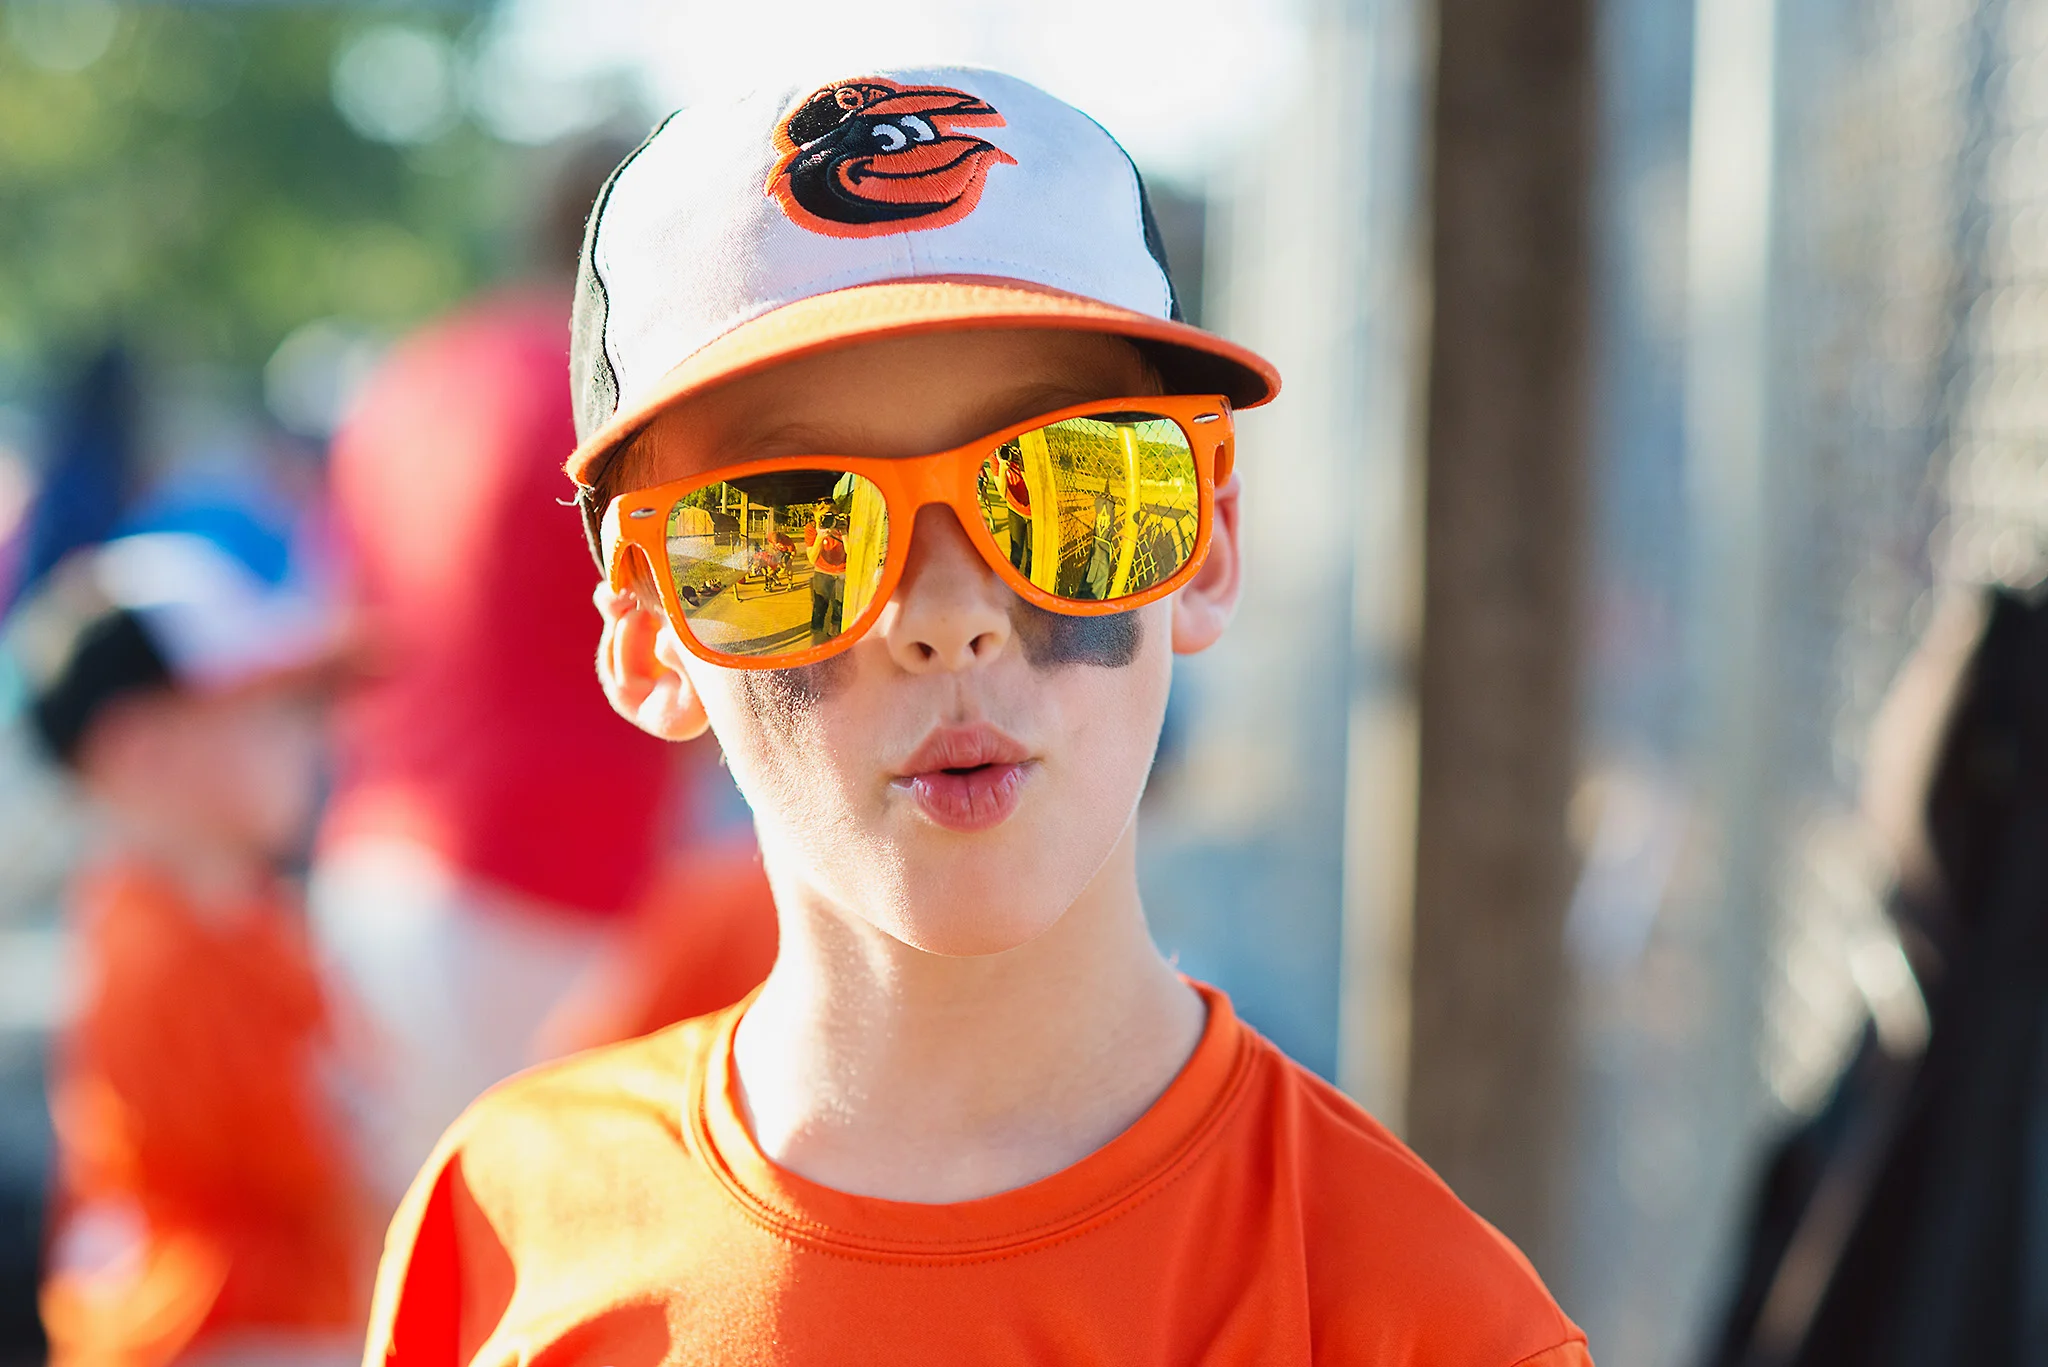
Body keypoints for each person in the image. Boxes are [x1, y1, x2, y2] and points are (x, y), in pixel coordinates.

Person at [362, 68, 1591, 1365]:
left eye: (1070, 483)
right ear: (645, 630)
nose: (949, 616)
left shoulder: (1423, 1318)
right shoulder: (504, 1227)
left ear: (1207, 539)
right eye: (789, 523)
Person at [315, 149, 775, 1209]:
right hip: (548, 882)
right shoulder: (608, 393)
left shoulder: (413, 375)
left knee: (412, 1250)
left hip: (374, 857)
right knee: (571, 1236)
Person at [8, 527, 371, 1366]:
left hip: (261, 1318)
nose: (316, 735)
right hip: (208, 1333)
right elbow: (330, 1175)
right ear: (145, 748)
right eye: (275, 707)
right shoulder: (161, 948)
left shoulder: (234, 914)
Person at [807, 509, 847, 639]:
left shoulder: (845, 524)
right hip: (822, 571)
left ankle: (833, 629)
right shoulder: (812, 528)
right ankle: (816, 634)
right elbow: (812, 558)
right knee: (819, 604)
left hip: (842, 571)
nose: (828, 520)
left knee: (839, 604)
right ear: (815, 515)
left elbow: (851, 552)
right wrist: (820, 535)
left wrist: (844, 532)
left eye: (832, 515)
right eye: (823, 516)